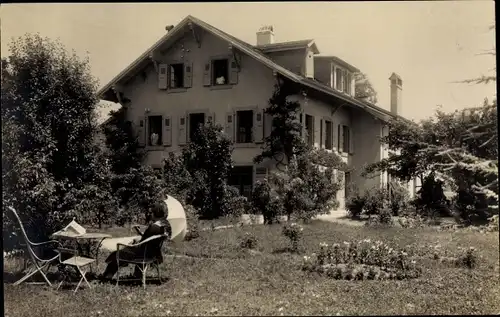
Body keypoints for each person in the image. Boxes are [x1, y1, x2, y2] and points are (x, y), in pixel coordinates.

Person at [100, 200, 171, 281]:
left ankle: (106, 277)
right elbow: (147, 239)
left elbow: (143, 242)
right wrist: (140, 233)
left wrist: (132, 243)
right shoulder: (161, 227)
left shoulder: (153, 227)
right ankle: (137, 275)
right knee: (127, 249)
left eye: (151, 213)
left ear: (155, 213)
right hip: (151, 253)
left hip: (142, 254)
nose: (150, 214)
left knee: (117, 253)